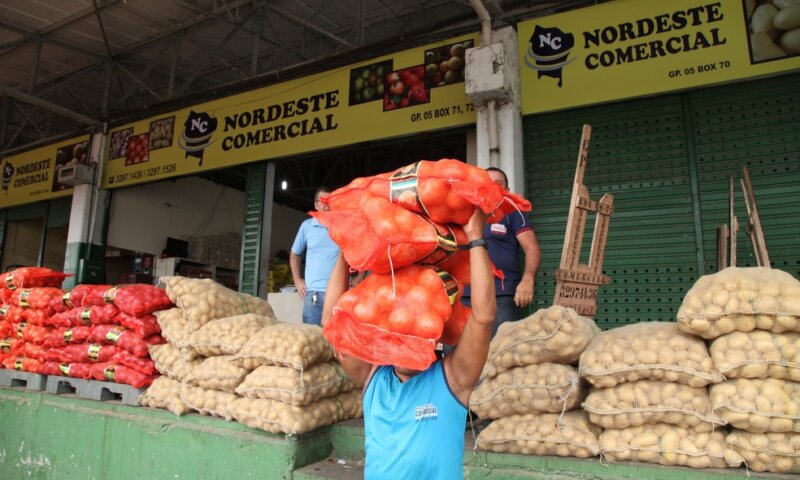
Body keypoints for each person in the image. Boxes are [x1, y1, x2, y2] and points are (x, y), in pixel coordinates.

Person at [322, 208, 496, 480]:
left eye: (415, 332)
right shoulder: (372, 378)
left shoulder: (453, 379)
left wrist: (475, 238)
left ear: (433, 335)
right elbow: (332, 323)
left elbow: (483, 318)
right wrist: (347, 251)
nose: (406, 342)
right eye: (399, 331)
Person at [462, 167, 541, 337]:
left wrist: (528, 279)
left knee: (499, 349)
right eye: (486, 182)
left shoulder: (513, 211)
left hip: (501, 295)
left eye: (497, 183)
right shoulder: (466, 211)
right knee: (457, 349)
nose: (491, 186)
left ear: (507, 190)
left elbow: (531, 247)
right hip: (466, 294)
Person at [290, 186, 340, 326]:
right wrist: (297, 280)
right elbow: (294, 254)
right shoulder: (307, 226)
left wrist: (359, 277)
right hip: (314, 295)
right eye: (323, 201)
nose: (326, 204)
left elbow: (357, 251)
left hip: (339, 293)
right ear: (316, 205)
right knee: (312, 336)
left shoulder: (343, 227)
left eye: (330, 201)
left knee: (336, 338)